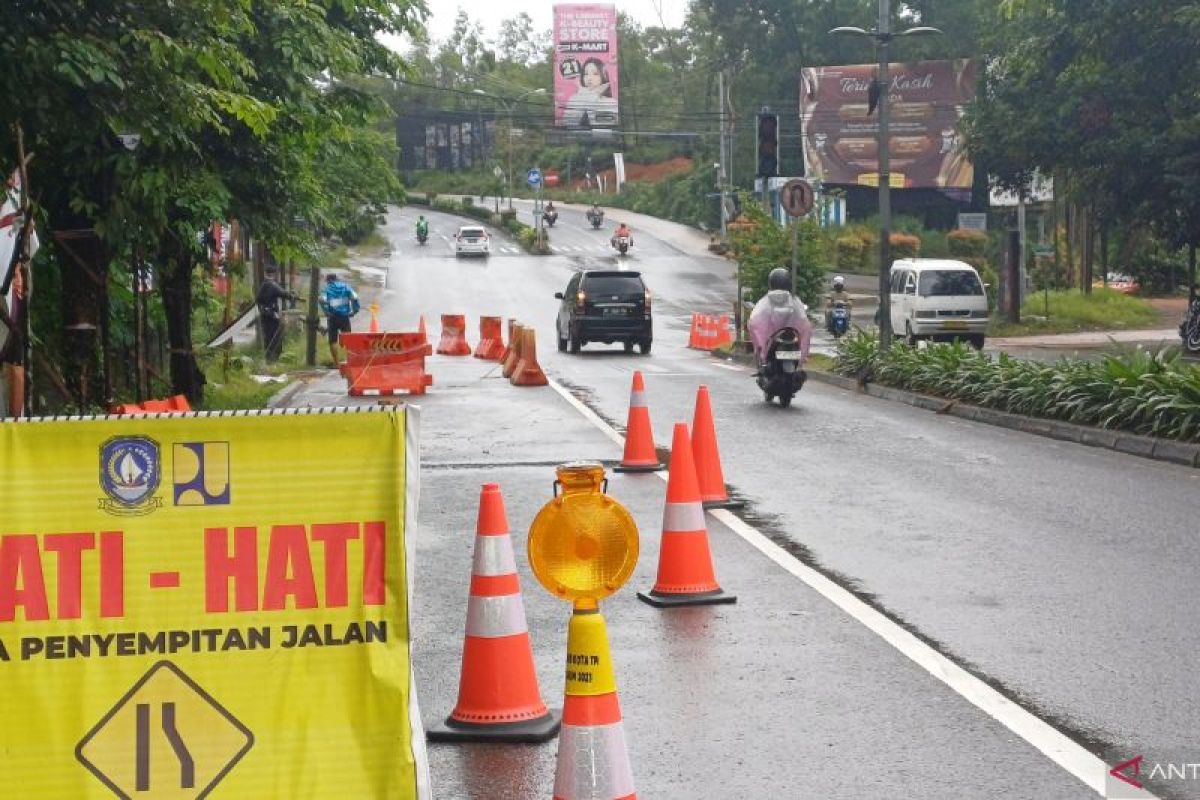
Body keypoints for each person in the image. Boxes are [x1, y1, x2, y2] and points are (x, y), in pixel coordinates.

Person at [748, 268, 813, 366]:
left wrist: (761, 350)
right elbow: (804, 323)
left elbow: (754, 322)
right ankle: (801, 358)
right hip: (790, 340)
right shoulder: (793, 300)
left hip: (772, 346)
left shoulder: (765, 302)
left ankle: (762, 357)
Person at [563, 58, 618, 128]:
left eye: (595, 74)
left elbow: (602, 127)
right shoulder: (574, 98)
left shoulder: (611, 102)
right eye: (586, 74)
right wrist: (592, 94)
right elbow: (568, 124)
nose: (589, 78)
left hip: (602, 137)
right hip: (576, 137)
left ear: (603, 76)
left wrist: (592, 96)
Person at [319, 272, 360, 364]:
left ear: (328, 281)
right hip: (344, 317)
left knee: (333, 341)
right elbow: (355, 297)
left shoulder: (327, 289)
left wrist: (326, 312)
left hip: (332, 317)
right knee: (348, 339)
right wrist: (354, 311)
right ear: (336, 279)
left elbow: (321, 299)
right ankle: (350, 361)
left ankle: (336, 363)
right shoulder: (346, 287)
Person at [255, 267, 291, 363]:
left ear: (265, 273)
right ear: (274, 274)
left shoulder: (263, 285)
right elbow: (284, 294)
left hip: (264, 315)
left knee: (267, 336)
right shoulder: (273, 285)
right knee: (275, 336)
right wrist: (293, 296)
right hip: (272, 316)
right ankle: (273, 358)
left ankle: (268, 357)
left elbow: (258, 299)